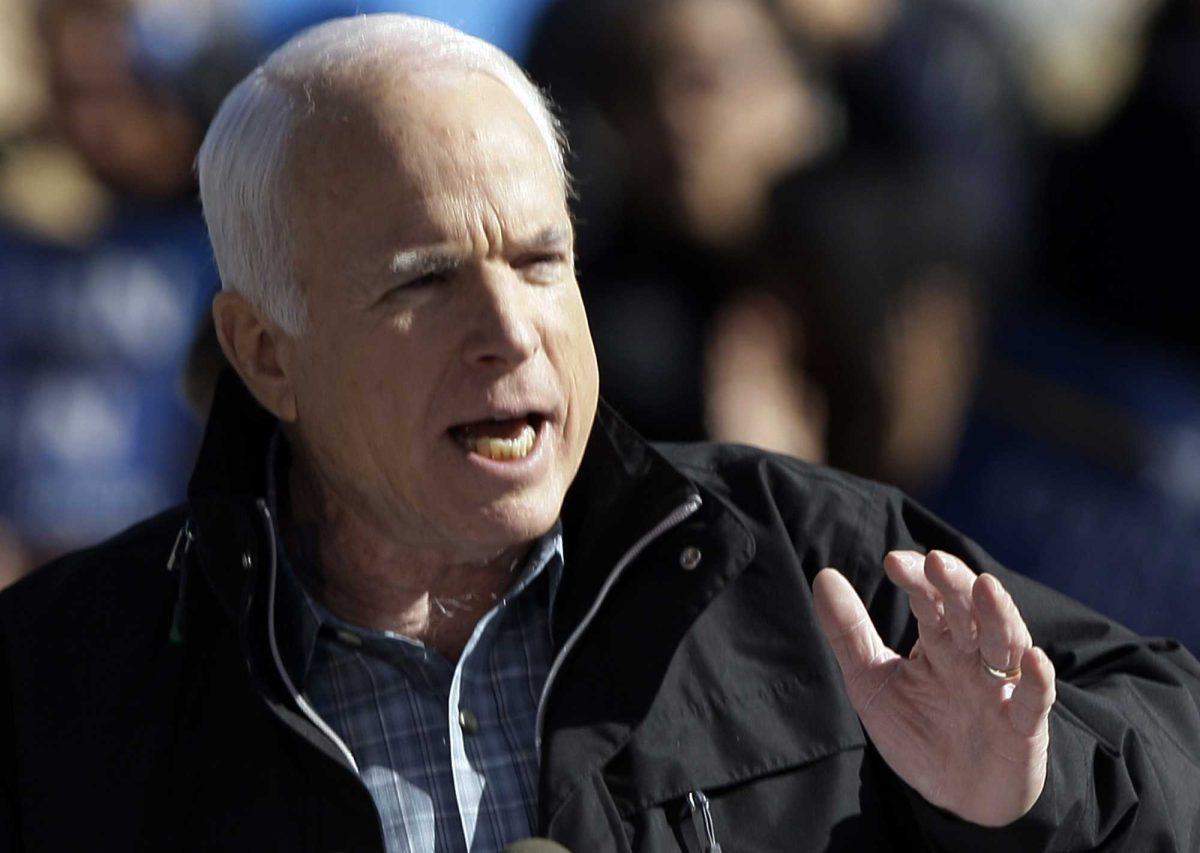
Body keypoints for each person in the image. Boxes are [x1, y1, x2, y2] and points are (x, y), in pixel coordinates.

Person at [1, 14, 1198, 852]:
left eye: (539, 260)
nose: (511, 333)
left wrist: (1027, 795)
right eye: (422, 280)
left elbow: (1173, 742)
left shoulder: (803, 563)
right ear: (266, 350)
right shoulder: (69, 682)